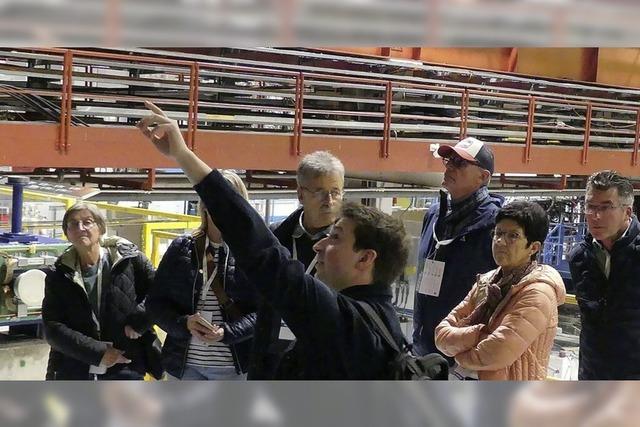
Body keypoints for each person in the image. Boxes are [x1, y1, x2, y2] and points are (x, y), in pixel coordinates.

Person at [137, 101, 409, 379]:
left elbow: (261, 250)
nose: (319, 244)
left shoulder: (348, 323)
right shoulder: (381, 321)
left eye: (335, 238)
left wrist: (183, 155)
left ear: (365, 258)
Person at [435, 201, 565, 380]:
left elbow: (496, 353)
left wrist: (460, 353)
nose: (500, 241)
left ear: (534, 248)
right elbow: (441, 335)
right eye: (498, 233)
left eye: (513, 236)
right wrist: (480, 334)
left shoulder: (538, 293)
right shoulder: (487, 281)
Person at [147, 171, 259, 380]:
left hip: (234, 369)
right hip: (184, 366)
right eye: (214, 196)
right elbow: (155, 304)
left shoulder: (252, 251)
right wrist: (184, 323)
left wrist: (228, 332)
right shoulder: (182, 248)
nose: (221, 205)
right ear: (204, 204)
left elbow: (266, 311)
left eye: (229, 197)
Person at [251, 150, 344, 379]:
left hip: (322, 363)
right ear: (300, 194)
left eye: (335, 192)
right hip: (272, 359)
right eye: (320, 192)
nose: (329, 201)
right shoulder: (275, 239)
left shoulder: (352, 247)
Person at [42, 202, 161, 380]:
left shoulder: (130, 261)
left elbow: (160, 294)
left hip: (126, 363)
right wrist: (99, 353)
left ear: (101, 228)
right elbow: (53, 328)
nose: (80, 228)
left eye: (87, 222)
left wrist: (140, 320)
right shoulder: (58, 274)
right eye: (73, 224)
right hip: (76, 366)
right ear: (67, 233)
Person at [413, 137, 504, 359]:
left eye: (461, 163)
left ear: (483, 177)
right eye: (449, 160)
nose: (450, 166)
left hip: (463, 354)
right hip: (424, 344)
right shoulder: (434, 214)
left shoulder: (496, 225)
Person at [568, 170, 640, 379]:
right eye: (590, 206)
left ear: (628, 211)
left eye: (606, 207)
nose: (595, 216)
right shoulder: (579, 257)